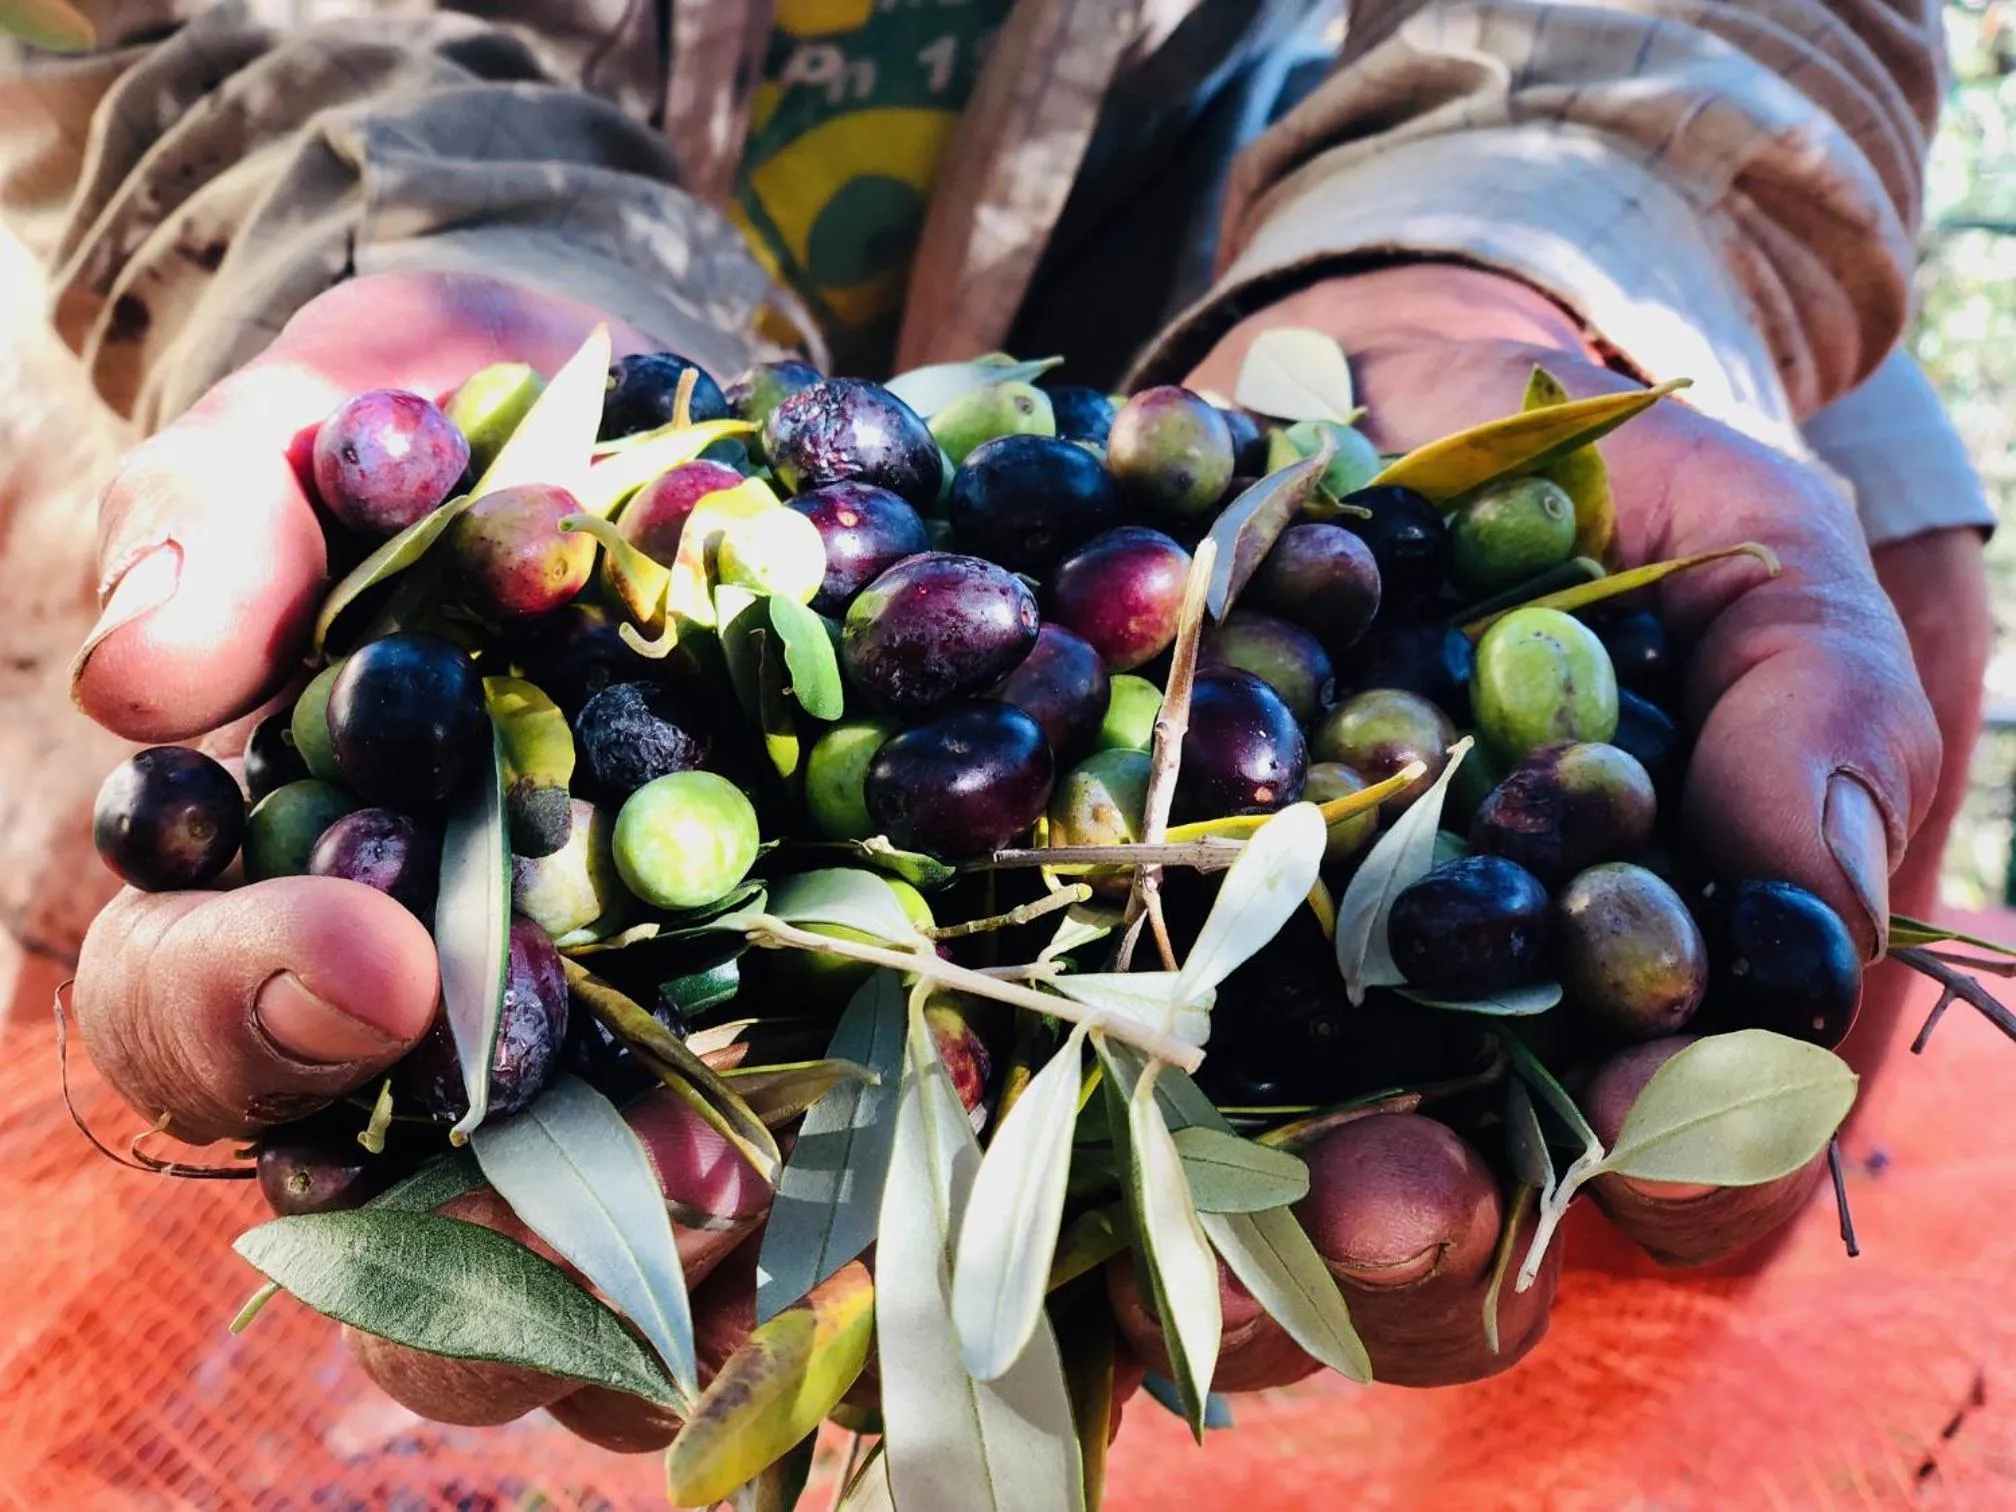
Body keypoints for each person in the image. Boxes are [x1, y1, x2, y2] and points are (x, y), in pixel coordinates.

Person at [0, 0, 1990, 1452]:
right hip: (482, 218)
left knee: (1676, 1101)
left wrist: (1529, 245)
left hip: (1303, 194)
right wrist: (419, 254)